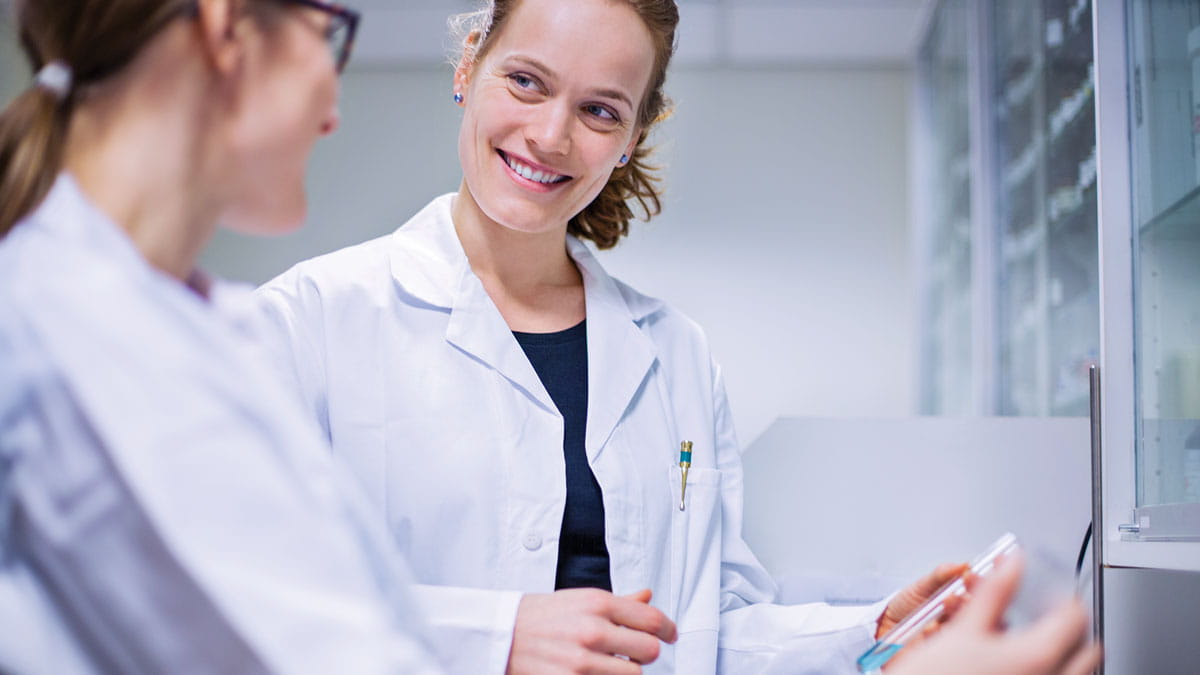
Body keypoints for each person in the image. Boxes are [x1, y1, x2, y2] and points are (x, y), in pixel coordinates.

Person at [255, 0, 1084, 673]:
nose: (550, 135)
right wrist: (494, 633)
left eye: (599, 110)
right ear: (469, 66)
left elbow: (708, 629)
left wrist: (869, 630)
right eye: (527, 81)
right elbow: (248, 591)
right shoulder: (314, 319)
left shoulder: (676, 354)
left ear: (629, 139)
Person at [0, 0, 444, 672]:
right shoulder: (89, 339)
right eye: (329, 37)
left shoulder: (164, 318)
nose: (335, 110)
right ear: (224, 25)